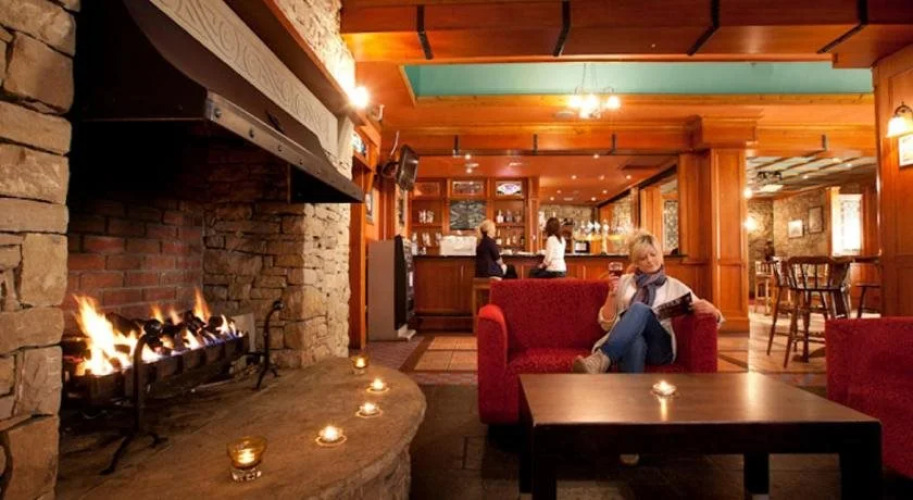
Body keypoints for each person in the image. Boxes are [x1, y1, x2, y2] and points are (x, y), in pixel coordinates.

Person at [573, 229, 722, 375]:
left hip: (659, 348)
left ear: (661, 256)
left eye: (653, 254)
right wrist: (611, 295)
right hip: (627, 341)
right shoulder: (624, 282)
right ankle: (631, 390)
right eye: (643, 258)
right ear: (636, 262)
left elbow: (713, 316)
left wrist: (714, 311)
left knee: (640, 308)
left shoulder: (674, 286)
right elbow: (606, 324)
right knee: (636, 341)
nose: (650, 260)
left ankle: (601, 359)